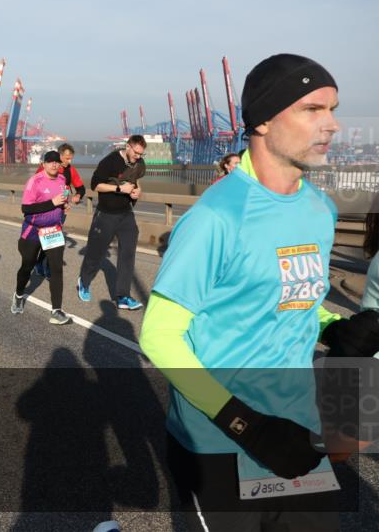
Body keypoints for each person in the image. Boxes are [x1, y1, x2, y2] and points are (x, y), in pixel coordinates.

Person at [140, 53, 379, 532]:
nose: (332, 125)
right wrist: (246, 425)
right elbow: (159, 337)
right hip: (221, 441)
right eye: (312, 110)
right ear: (264, 122)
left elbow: (292, 302)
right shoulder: (216, 217)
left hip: (297, 431)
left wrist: (338, 327)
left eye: (332, 109)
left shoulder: (319, 209)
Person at [76, 134, 147, 310]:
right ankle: (84, 281)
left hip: (126, 215)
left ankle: (122, 296)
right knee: (95, 253)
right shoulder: (110, 161)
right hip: (106, 214)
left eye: (141, 154)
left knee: (127, 255)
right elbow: (95, 185)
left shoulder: (139, 163)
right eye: (136, 152)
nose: (138, 156)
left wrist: (137, 192)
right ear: (128, 146)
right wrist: (118, 188)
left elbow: (136, 181)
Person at [10, 150, 71, 325]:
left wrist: (64, 206)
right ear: (43, 164)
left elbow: (62, 200)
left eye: (57, 162)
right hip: (33, 231)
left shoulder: (62, 180)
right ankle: (19, 294)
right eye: (50, 162)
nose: (54, 165)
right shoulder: (35, 181)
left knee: (57, 269)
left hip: (53, 231)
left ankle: (56, 311)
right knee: (27, 266)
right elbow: (26, 209)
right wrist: (52, 203)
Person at [36, 142, 86, 276]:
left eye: (71, 158)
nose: (69, 161)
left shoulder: (71, 170)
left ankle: (44, 265)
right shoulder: (48, 168)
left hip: (60, 212)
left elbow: (80, 187)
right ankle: (40, 264)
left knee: (53, 240)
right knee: (46, 239)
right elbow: (36, 186)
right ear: (59, 156)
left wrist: (77, 195)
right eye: (66, 158)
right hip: (44, 210)